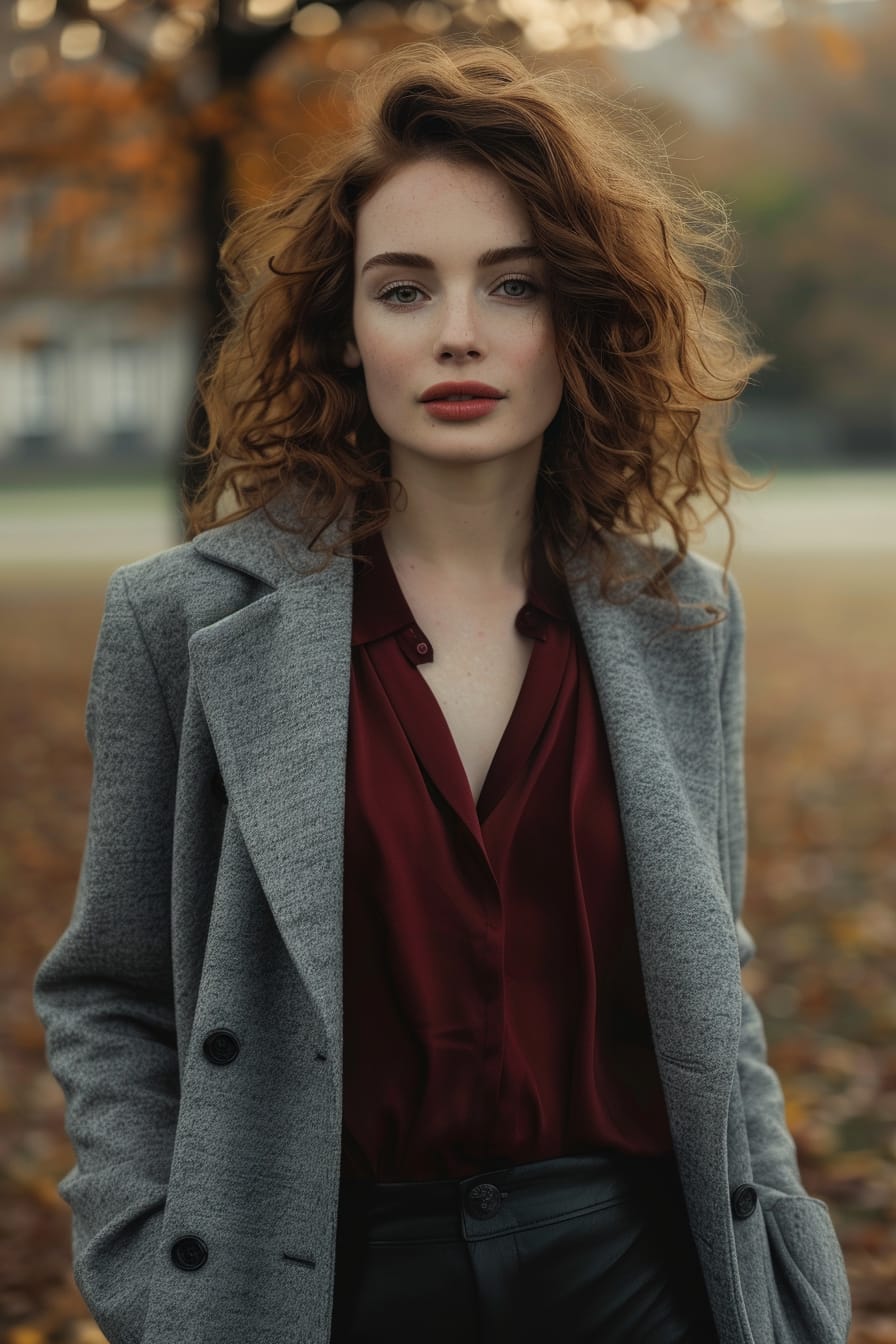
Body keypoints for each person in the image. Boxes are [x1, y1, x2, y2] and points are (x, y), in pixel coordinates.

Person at [33, 35, 851, 1344]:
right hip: (325, 1282)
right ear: (346, 332)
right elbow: (113, 989)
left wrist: (789, 1275)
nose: (459, 334)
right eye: (404, 291)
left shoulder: (680, 619)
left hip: (638, 1275)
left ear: (578, 320)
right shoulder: (184, 619)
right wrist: (148, 1255)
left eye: (513, 286)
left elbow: (713, 981)